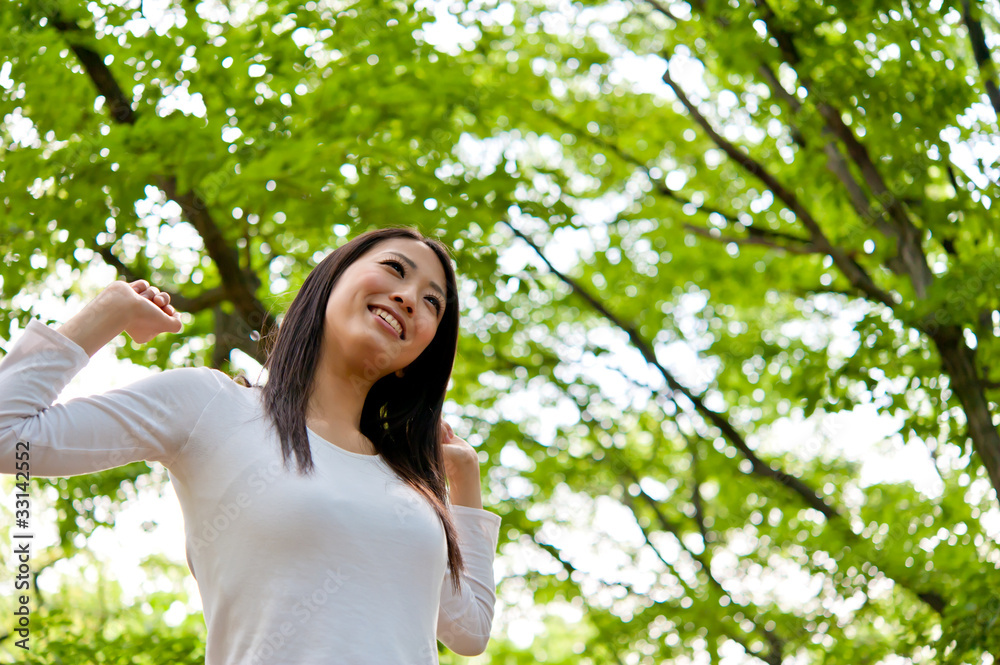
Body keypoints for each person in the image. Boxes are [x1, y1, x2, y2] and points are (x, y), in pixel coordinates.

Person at [0, 226, 503, 664]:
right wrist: (104, 314)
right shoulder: (212, 407)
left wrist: (464, 481)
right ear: (329, 282)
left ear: (417, 355)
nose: (410, 297)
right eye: (395, 269)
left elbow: (469, 630)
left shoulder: (408, 485)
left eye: (432, 301)